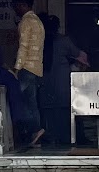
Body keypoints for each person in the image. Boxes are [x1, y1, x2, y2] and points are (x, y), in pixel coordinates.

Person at [38, 14, 89, 147]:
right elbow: (80, 56)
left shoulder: (39, 41)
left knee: (50, 113)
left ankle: (51, 138)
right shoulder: (64, 41)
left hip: (44, 81)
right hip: (62, 82)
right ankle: (71, 138)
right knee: (67, 110)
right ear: (58, 27)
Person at [10, 0, 45, 150]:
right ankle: (35, 134)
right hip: (37, 68)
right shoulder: (37, 21)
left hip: (26, 68)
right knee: (32, 103)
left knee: (23, 103)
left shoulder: (25, 22)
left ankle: (33, 131)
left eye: (16, 6)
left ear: (23, 5)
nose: (15, 10)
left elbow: (23, 47)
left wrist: (17, 68)